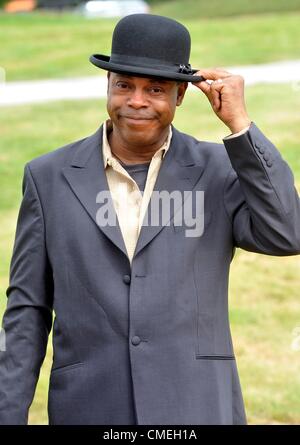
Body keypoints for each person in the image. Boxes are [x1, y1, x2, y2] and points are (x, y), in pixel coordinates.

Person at [0, 13, 299, 426]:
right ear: (108, 86)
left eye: (155, 89)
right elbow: (27, 310)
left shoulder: (217, 170)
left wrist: (240, 126)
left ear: (180, 96)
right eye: (124, 85)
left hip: (197, 406)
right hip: (89, 408)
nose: (136, 100)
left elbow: (286, 232)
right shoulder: (48, 177)